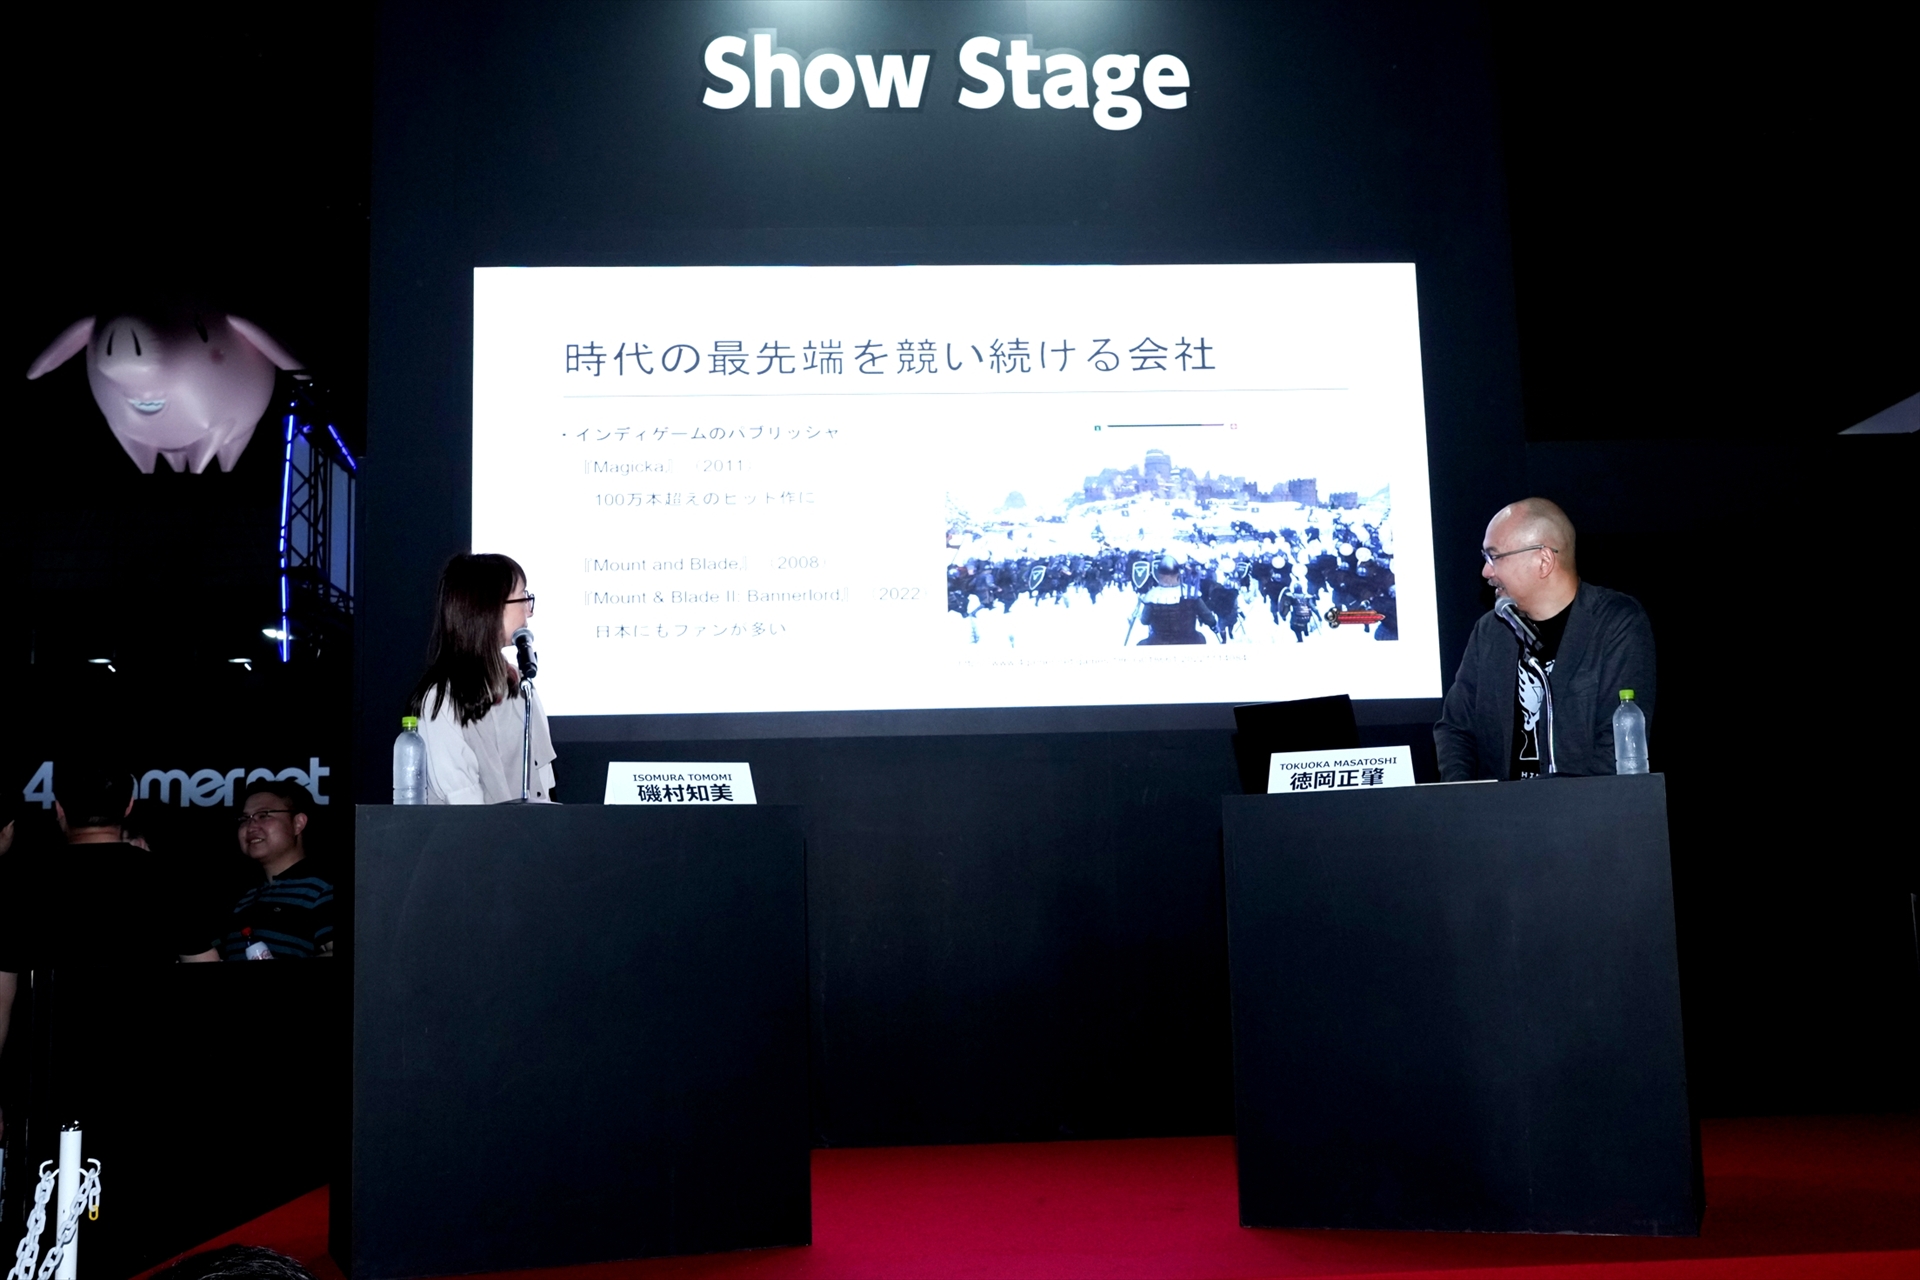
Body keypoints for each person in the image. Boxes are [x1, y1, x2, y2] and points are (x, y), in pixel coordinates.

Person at [0, 759, 222, 1135]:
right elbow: (208, 981)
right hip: (145, 1078)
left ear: (59, 809)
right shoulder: (168, 879)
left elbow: (1, 994)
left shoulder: (20, 883)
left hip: (46, 1079)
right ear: (129, 806)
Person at [1434, 498, 1656, 780]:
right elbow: (1455, 729)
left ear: (1543, 561)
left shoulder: (1615, 623)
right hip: (1498, 808)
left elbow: (1616, 745)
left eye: (1494, 556)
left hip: (1584, 806)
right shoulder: (1491, 631)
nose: (1486, 572)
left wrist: (1557, 803)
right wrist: (1463, 796)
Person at [407, 552, 556, 803]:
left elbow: (543, 786)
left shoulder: (520, 686)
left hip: (530, 828)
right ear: (491, 608)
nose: (529, 611)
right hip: (475, 829)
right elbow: (464, 806)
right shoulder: (440, 700)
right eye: (523, 597)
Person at [220, 780, 336, 960]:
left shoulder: (322, 889)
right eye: (245, 819)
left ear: (298, 823)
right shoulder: (243, 900)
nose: (251, 827)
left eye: (263, 815)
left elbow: (354, 959)